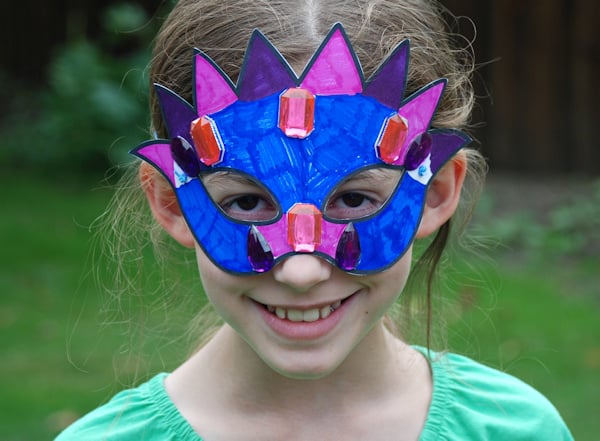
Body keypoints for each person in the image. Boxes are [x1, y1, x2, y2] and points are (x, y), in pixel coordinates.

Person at [56, 0, 574, 439]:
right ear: (173, 205)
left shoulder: (516, 429)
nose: (301, 274)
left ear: (434, 192)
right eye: (244, 204)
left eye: (354, 201)